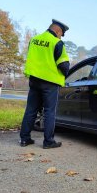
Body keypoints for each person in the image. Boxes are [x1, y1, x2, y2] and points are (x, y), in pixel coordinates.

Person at [19, 19, 70, 149]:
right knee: (49, 112)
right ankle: (48, 142)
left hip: (34, 80)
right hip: (50, 83)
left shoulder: (34, 40)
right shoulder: (57, 43)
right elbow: (64, 65)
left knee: (30, 109)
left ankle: (24, 139)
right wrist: (65, 73)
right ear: (58, 31)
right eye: (61, 33)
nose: (61, 36)